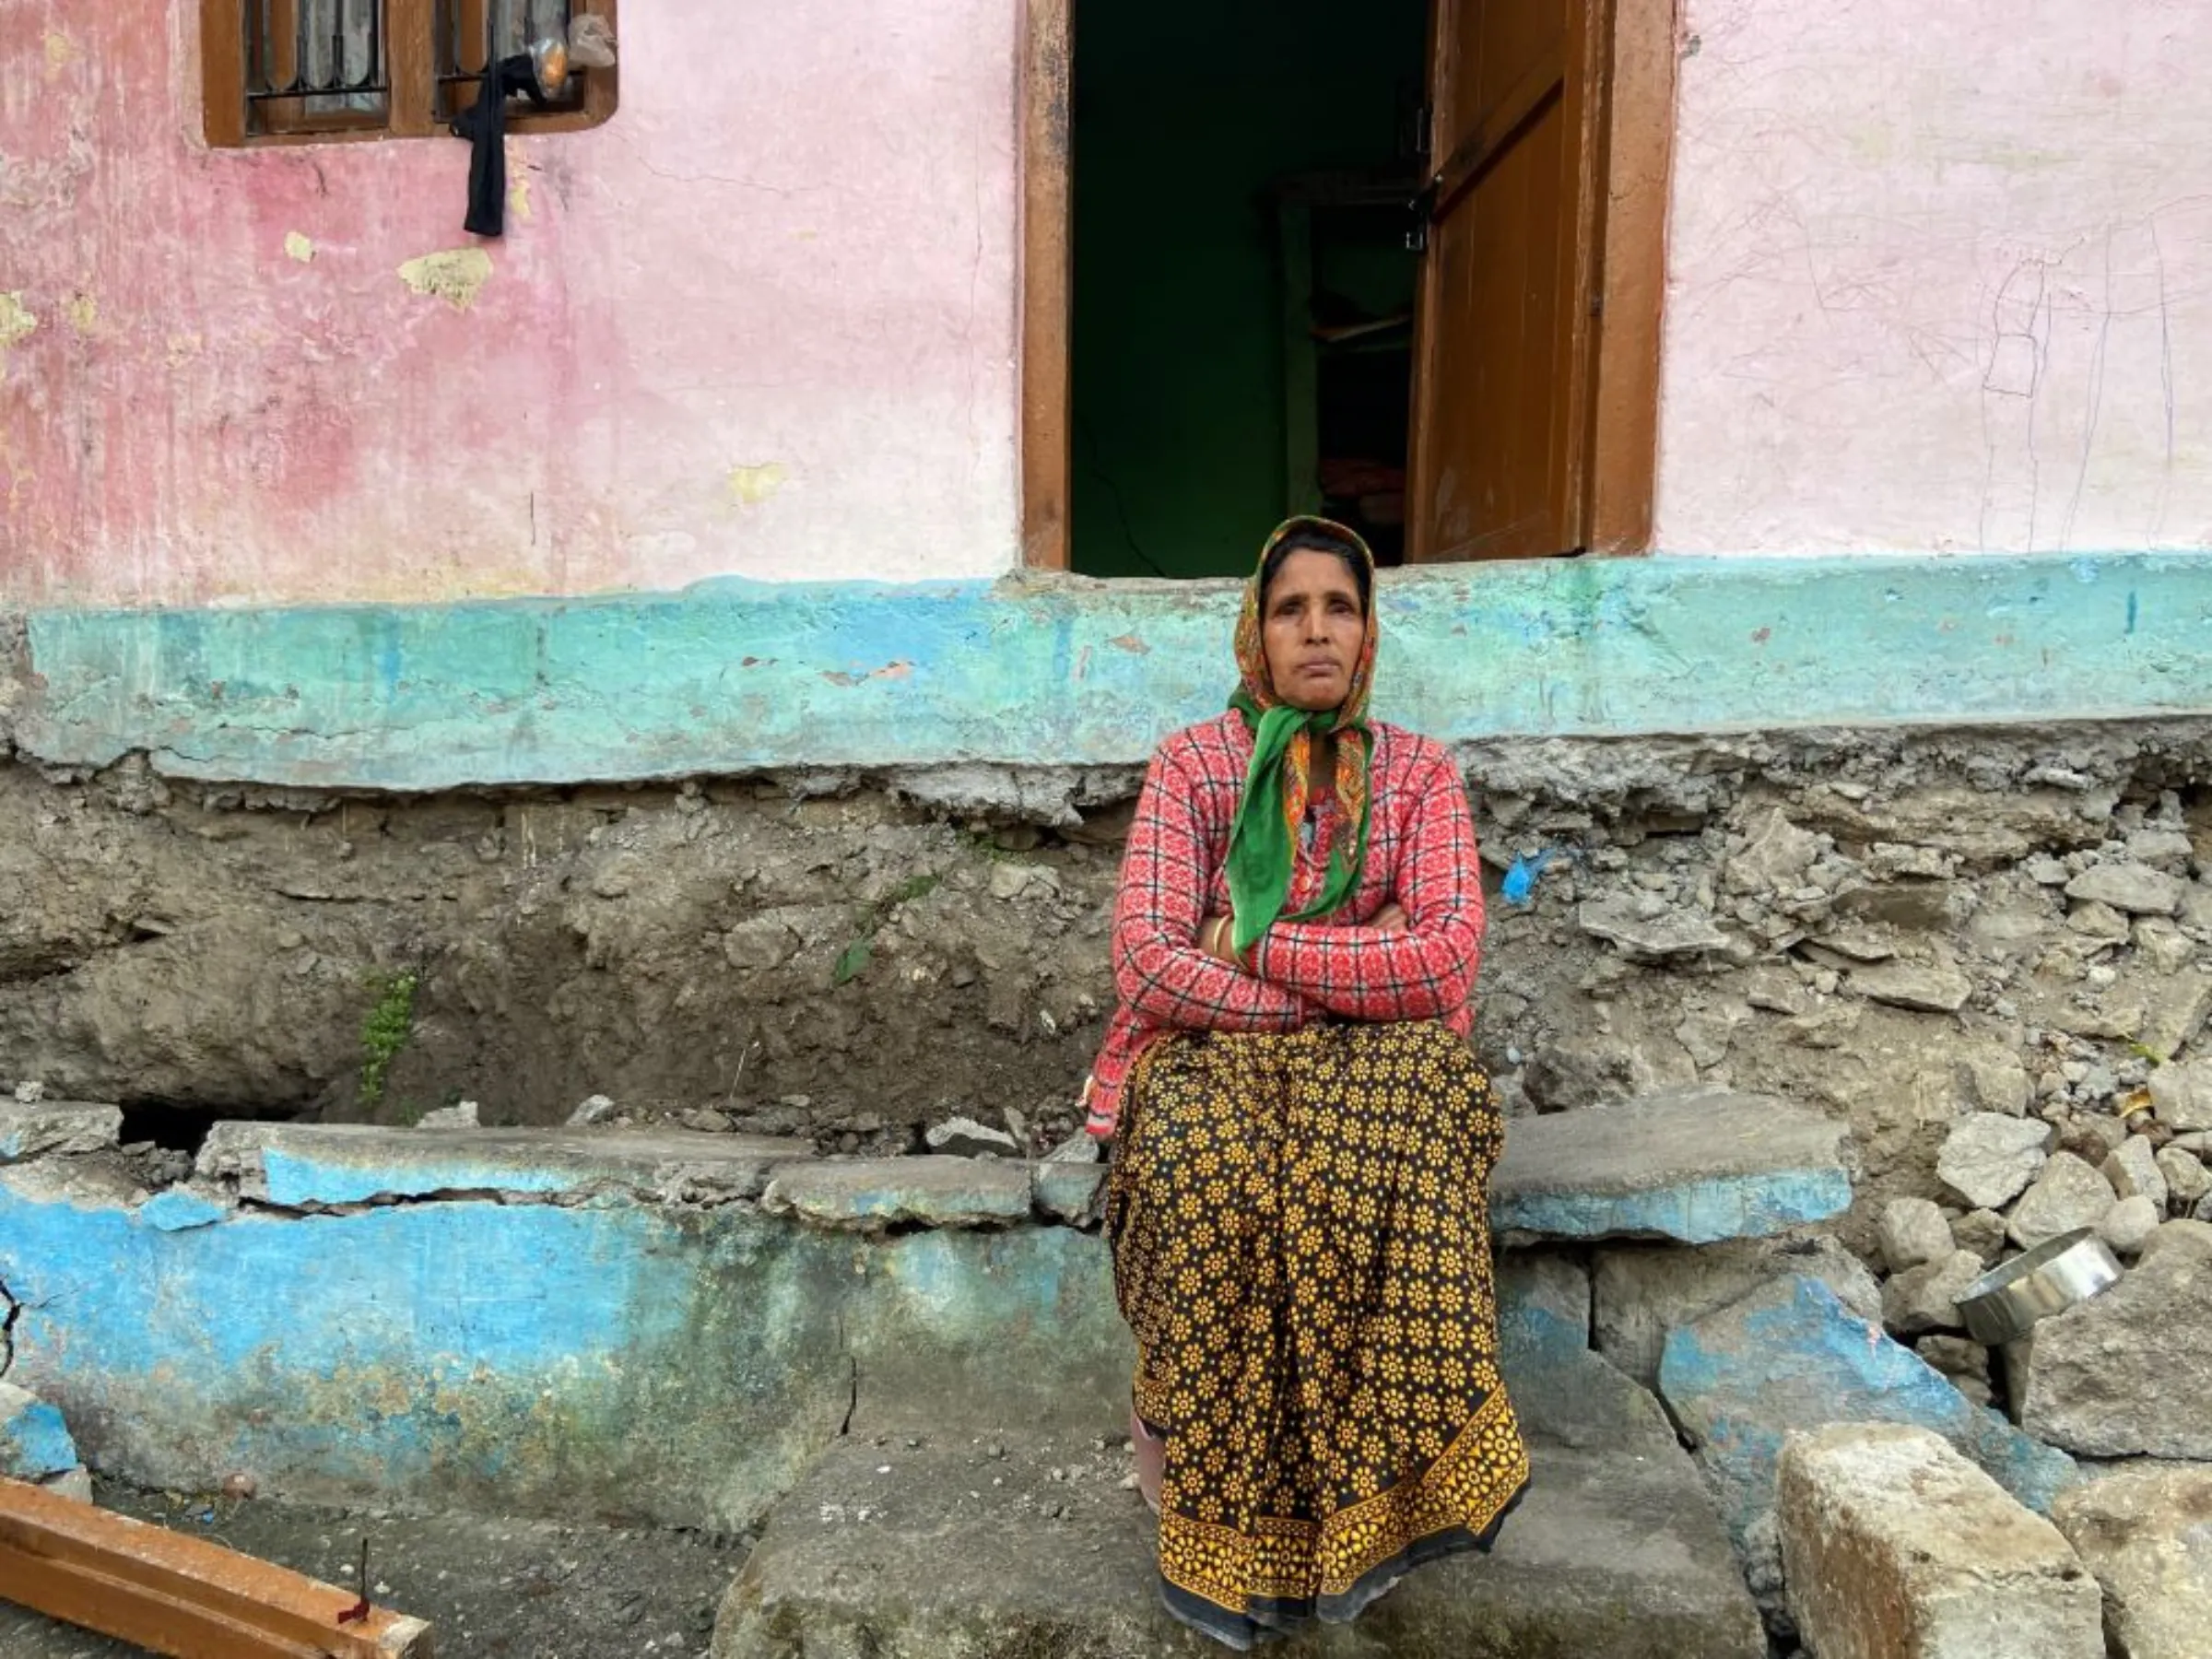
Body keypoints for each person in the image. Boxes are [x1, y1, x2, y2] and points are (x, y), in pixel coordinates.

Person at [1081, 516, 1529, 1649]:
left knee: (1408, 1124)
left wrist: (1247, 940)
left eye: (1340, 607)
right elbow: (1145, 958)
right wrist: (1340, 975)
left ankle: (1385, 1489)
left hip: (1370, 1060)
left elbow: (1443, 960)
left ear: (1369, 631)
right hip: (1206, 1056)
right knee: (1206, 1162)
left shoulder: (1422, 773)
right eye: (1292, 609)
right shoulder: (1196, 764)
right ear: (1258, 631)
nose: (1317, 630)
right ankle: (1186, 1443)